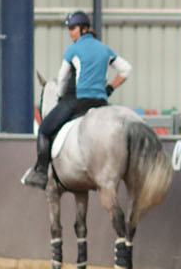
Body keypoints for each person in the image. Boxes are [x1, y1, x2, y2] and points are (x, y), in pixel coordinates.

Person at [20, 11, 133, 189]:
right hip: (101, 104)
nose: (71, 32)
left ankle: (41, 171)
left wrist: (60, 95)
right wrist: (109, 88)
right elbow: (126, 69)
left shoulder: (72, 49)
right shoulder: (105, 49)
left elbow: (62, 77)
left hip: (78, 101)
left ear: (84, 29)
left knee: (44, 129)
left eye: (73, 28)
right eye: (70, 29)